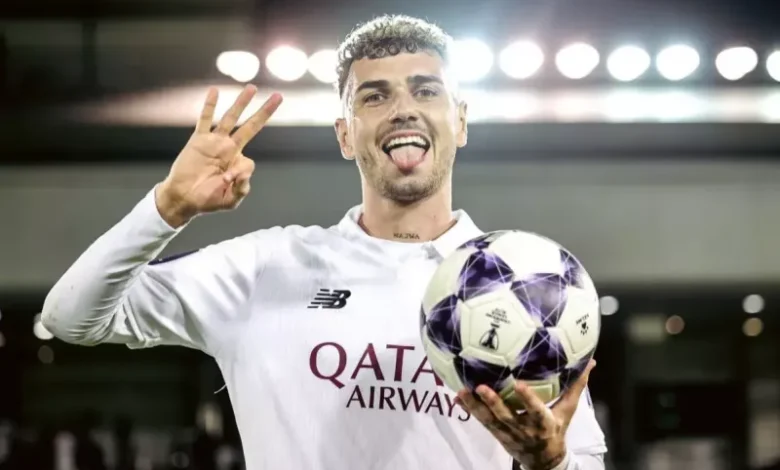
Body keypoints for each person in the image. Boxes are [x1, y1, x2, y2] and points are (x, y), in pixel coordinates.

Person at [42, 14, 607, 470]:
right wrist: (167, 207)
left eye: (426, 90)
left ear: (459, 121)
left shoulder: (530, 288)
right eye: (374, 97)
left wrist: (550, 463)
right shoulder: (265, 267)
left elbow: (580, 460)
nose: (403, 109)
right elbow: (71, 317)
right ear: (345, 135)